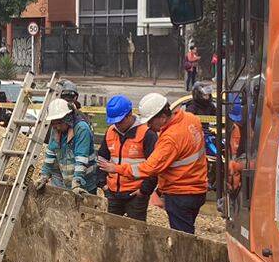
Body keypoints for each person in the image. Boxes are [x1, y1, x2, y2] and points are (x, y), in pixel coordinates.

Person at [99, 91, 208, 233]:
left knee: (183, 239)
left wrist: (117, 169)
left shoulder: (170, 139)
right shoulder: (190, 119)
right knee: (187, 232)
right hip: (197, 187)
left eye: (150, 121)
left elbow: (149, 168)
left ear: (162, 117)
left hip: (180, 192)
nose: (149, 125)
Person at [95, 94, 157, 220]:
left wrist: (144, 191)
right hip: (112, 192)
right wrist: (103, 184)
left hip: (135, 194)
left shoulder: (147, 134)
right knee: (110, 229)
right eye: (114, 122)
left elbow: (154, 166)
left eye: (119, 121)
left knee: (136, 231)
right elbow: (102, 158)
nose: (116, 125)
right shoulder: (111, 131)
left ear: (129, 115)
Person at [38, 97, 96, 193]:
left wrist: (77, 182)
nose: (56, 126)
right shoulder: (56, 129)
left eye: (58, 123)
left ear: (67, 118)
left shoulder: (81, 129)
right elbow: (51, 153)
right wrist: (44, 175)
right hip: (65, 181)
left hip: (85, 183)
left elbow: (81, 158)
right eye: (53, 123)